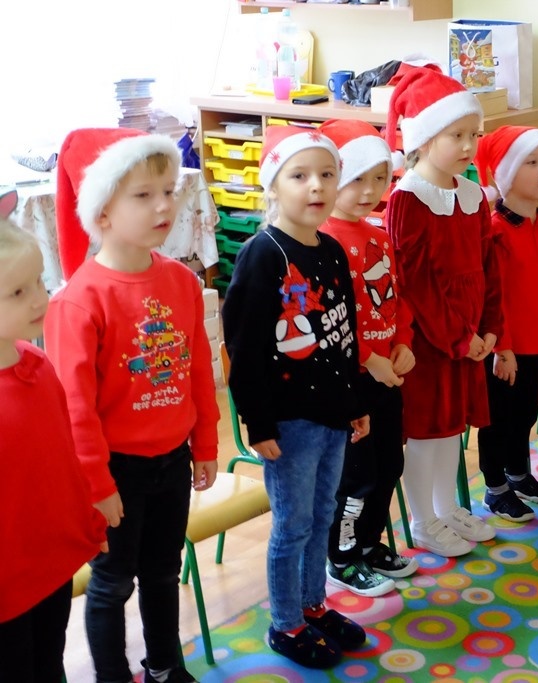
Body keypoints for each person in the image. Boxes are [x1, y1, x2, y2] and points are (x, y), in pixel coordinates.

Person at [44, 128, 220, 683]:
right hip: (114, 472)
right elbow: (75, 409)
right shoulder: (79, 301)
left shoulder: (182, 282)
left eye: (168, 191)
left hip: (172, 462)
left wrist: (205, 444)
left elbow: (197, 371)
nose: (164, 206)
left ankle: (165, 666)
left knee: (163, 572)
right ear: (102, 213)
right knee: (112, 583)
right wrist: (97, 485)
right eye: (143, 195)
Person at [222, 126, 369, 669]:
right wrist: (258, 424)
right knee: (293, 524)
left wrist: (356, 401)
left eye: (327, 174)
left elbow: (344, 333)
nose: (316, 186)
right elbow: (244, 348)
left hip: (333, 413)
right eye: (300, 175)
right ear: (273, 186)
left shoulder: (331, 250)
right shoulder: (263, 255)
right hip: (289, 422)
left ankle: (313, 605)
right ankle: (285, 623)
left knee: (323, 514)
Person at [383, 68, 503, 556]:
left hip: (470, 336)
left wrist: (489, 328)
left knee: (453, 426)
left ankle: (447, 505)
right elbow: (414, 283)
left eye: (474, 135)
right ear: (425, 137)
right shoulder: (408, 198)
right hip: (430, 341)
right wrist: (456, 336)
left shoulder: (472, 196)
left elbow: (488, 267)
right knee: (427, 430)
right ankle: (423, 519)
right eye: (457, 135)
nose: (469, 145)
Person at [0, 196, 107, 683]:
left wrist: (88, 521)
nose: (39, 300)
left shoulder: (40, 367)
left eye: (39, 282)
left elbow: (64, 462)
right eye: (17, 292)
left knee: (49, 662)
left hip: (50, 568)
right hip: (7, 586)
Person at [318, 119, 419, 595]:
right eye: (356, 178)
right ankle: (340, 557)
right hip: (350, 381)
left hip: (386, 376)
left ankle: (368, 544)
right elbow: (326, 320)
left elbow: (396, 300)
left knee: (388, 467)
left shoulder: (378, 236)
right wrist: (368, 358)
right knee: (355, 478)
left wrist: (402, 343)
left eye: (379, 178)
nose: (369, 191)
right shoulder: (322, 240)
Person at [473, 125, 538, 522]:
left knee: (525, 414)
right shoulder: (496, 230)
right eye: (532, 162)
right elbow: (494, 298)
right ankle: (495, 488)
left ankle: (519, 474)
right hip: (505, 347)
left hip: (535, 341)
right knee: (499, 419)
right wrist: (501, 347)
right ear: (507, 173)